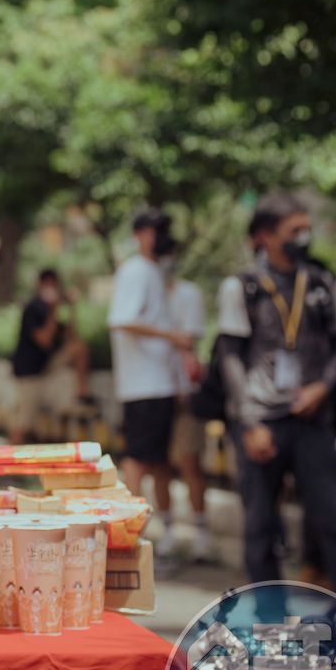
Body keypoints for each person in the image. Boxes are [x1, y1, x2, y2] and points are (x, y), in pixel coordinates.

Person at [216, 193, 336, 603]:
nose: (304, 237)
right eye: (293, 230)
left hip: (311, 416)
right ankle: (270, 619)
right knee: (261, 527)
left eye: (306, 228)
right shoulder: (242, 286)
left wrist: (322, 387)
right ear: (265, 236)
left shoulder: (319, 283)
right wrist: (248, 422)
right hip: (262, 420)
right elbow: (230, 357)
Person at [108, 209, 192, 524]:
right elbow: (122, 320)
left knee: (158, 461)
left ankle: (162, 527)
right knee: (138, 460)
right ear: (140, 236)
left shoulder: (151, 272)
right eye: (157, 231)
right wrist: (172, 336)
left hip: (158, 383)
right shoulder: (136, 271)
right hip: (145, 384)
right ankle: (131, 527)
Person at [164, 259, 213, 560]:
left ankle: (201, 534)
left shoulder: (188, 294)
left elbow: (189, 345)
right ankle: (167, 531)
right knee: (159, 467)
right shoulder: (142, 294)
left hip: (185, 395)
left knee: (190, 463)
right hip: (151, 396)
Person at [9, 268, 92, 444]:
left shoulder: (55, 312)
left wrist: (70, 308)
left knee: (80, 348)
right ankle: (9, 457)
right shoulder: (33, 309)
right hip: (29, 373)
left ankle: (82, 392)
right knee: (24, 423)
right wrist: (53, 310)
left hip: (46, 368)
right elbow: (44, 340)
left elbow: (72, 337)